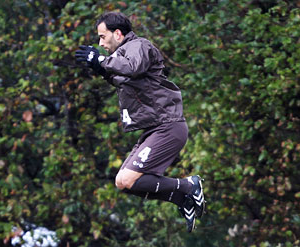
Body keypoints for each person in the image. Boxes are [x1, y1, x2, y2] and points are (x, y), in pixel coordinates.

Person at [75, 11, 205, 232]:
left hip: (168, 126)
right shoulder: (123, 55)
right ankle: (181, 198)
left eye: (102, 37)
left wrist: (100, 60)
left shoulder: (138, 46)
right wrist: (100, 68)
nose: (100, 43)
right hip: (155, 128)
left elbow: (132, 67)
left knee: (128, 179)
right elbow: (122, 77)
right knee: (123, 182)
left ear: (117, 33)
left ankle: (188, 185)